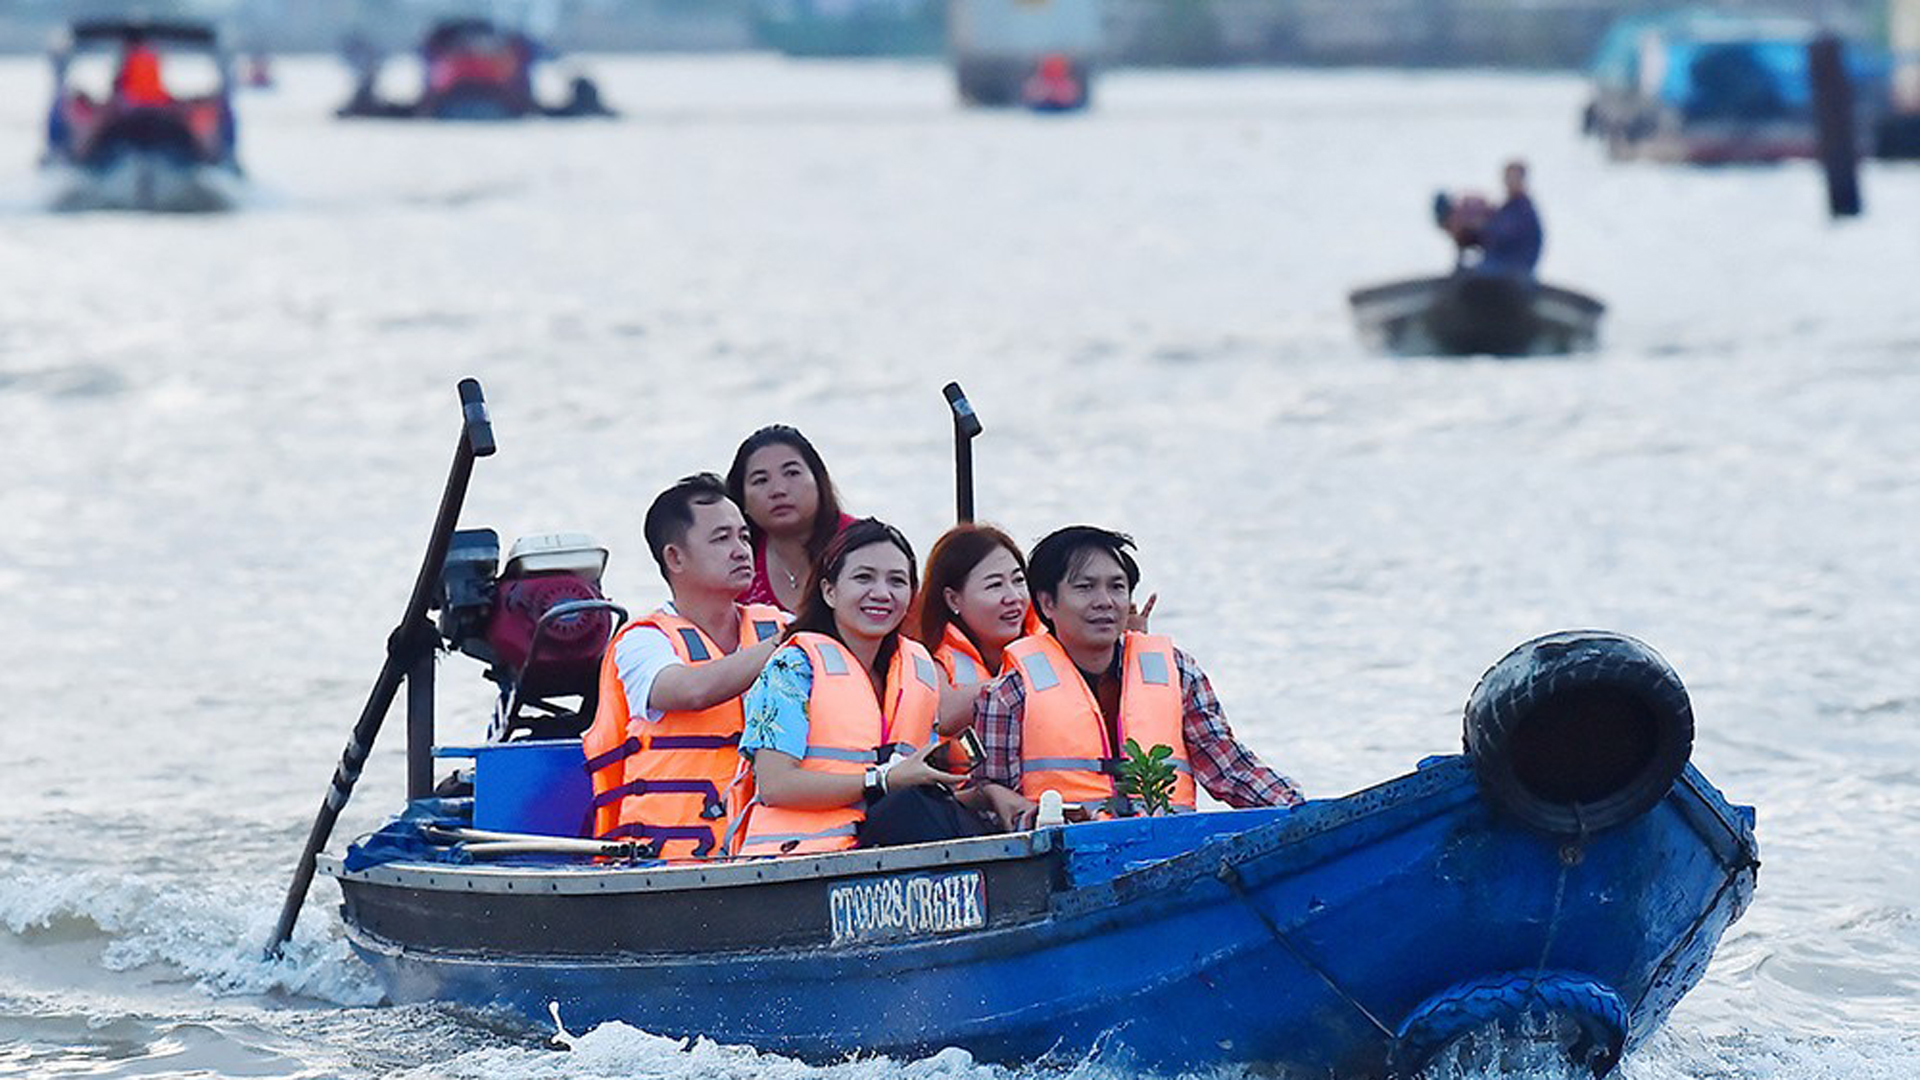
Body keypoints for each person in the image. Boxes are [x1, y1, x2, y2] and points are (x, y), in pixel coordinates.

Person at [733, 519, 1030, 856]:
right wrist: (882, 780)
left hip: (888, 858)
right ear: (829, 591)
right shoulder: (793, 666)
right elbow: (775, 785)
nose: (881, 593)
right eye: (864, 578)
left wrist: (986, 795)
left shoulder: (917, 670)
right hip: (799, 863)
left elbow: (914, 786)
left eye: (897, 581)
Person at [976, 526, 1303, 818]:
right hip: (1064, 853)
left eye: (1117, 587)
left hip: (1167, 843)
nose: (1105, 601)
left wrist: (1301, 812)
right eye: (1085, 587)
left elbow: (1229, 768)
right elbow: (993, 809)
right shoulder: (1009, 691)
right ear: (1047, 603)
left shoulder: (1179, 671)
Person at [581, 473, 788, 859]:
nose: (741, 550)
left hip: (776, 848)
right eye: (721, 538)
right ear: (675, 557)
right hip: (668, 860)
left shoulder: (779, 624)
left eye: (744, 537)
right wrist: (789, 642)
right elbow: (690, 691)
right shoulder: (642, 641)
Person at [726, 425, 853, 613]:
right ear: (741, 498)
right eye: (761, 480)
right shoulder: (735, 560)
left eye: (792, 473)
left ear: (818, 480)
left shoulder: (860, 544)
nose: (778, 490)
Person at [912, 524, 1043, 688]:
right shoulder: (933, 675)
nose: (1014, 597)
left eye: (1018, 580)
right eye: (995, 585)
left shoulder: (1059, 647)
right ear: (953, 599)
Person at [1476, 160, 1543, 277]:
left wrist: (1483, 226)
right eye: (1508, 178)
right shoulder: (1506, 209)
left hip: (1512, 270)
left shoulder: (1523, 209)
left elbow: (1504, 233)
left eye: (1514, 178)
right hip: (1499, 266)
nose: (1510, 182)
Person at [114, 34, 172, 107]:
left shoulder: (131, 58)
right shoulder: (152, 57)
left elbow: (119, 83)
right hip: (156, 99)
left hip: (137, 101)